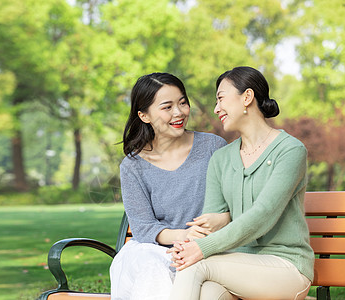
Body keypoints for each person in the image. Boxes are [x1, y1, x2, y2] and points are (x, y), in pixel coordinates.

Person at [168, 66, 314, 300]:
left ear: (247, 97)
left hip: (286, 267)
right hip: (237, 266)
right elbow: (210, 223)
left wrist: (200, 250)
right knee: (207, 293)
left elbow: (263, 215)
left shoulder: (290, 150)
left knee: (195, 265)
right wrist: (192, 240)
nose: (216, 108)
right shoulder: (221, 158)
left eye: (221, 98)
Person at [109, 72, 229, 300]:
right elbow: (144, 228)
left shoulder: (213, 147)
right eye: (167, 107)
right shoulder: (133, 166)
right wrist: (184, 235)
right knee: (151, 269)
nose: (179, 112)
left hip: (205, 250)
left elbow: (233, 205)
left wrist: (198, 239)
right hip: (153, 251)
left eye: (183, 102)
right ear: (144, 115)